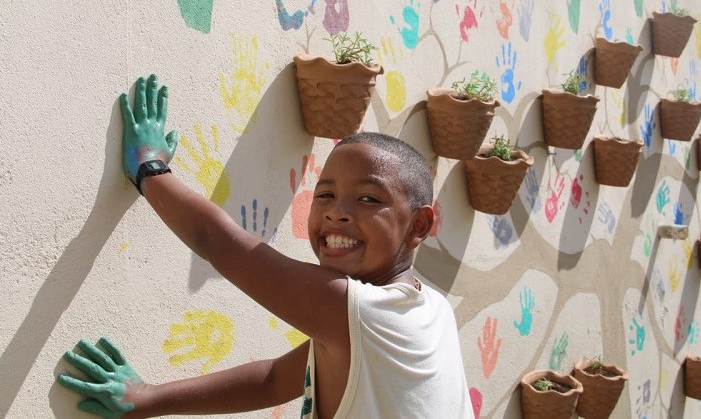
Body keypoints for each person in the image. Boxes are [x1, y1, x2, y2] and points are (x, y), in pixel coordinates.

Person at [57, 74, 473, 418]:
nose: (336, 213)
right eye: (325, 195)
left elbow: (219, 243)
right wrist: (148, 399)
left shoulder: (362, 313)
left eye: (368, 199)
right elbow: (275, 378)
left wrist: (150, 169)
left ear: (419, 225)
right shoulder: (429, 310)